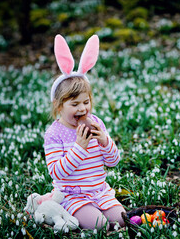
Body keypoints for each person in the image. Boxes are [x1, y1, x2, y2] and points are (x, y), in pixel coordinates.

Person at [43, 34, 126, 230]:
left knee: (122, 219)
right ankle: (62, 208)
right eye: (74, 104)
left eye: (86, 102)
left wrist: (105, 141)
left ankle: (100, 210)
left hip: (100, 191)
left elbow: (113, 162)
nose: (82, 109)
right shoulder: (54, 133)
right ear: (58, 105)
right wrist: (79, 148)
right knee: (100, 225)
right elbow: (57, 172)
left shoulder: (96, 123)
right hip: (72, 195)